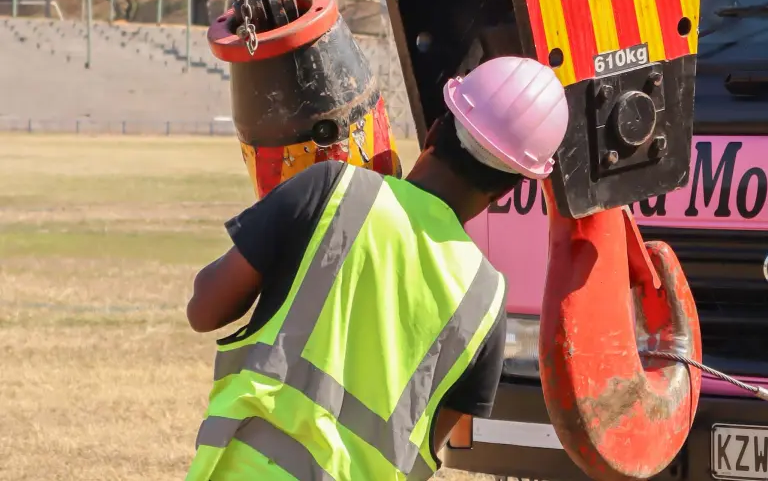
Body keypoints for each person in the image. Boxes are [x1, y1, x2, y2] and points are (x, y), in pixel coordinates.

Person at [183, 56, 569, 481]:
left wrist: (284, 229)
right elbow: (433, 438)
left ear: (436, 130)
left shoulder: (331, 190)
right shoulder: (487, 300)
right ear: (509, 188)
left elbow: (204, 310)